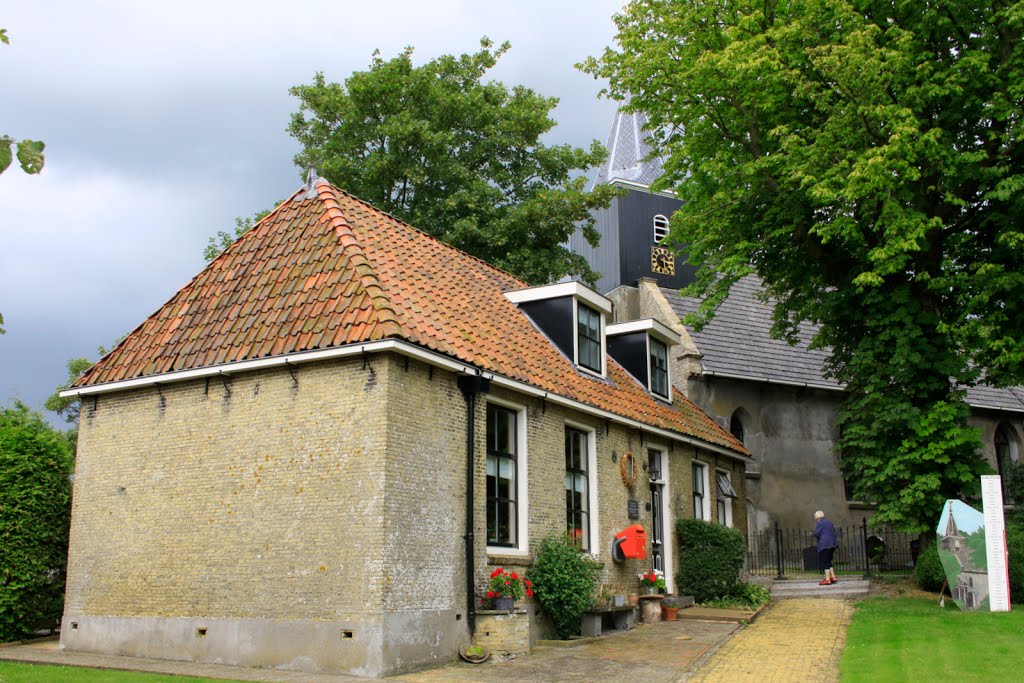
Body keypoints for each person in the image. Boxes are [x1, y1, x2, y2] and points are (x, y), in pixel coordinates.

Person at [812, 510, 837, 585]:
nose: (816, 520)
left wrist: (812, 533)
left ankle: (827, 579)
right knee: (829, 561)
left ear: (817, 517)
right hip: (832, 544)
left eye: (816, 519)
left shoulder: (820, 523)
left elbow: (817, 534)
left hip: (825, 545)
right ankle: (833, 577)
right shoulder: (829, 522)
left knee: (825, 562)